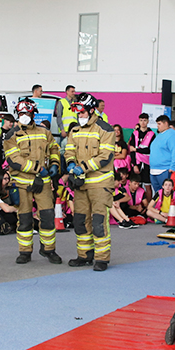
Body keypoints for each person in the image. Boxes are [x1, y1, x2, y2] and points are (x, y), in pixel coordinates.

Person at [3, 97, 63, 264]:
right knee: (24, 218)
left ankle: (48, 249)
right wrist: (39, 169)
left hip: (43, 182)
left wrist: (55, 164)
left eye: (27, 112)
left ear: (33, 114)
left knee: (47, 216)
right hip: (22, 183)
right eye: (21, 113)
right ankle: (25, 251)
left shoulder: (44, 132)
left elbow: (54, 149)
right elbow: (14, 160)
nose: (24, 115)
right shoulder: (11, 135)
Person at [64, 92, 117, 271]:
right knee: (80, 220)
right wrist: (71, 165)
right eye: (77, 113)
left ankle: (102, 258)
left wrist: (83, 167)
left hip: (100, 184)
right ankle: (84, 255)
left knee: (98, 222)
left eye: (82, 112)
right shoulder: (75, 130)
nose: (80, 116)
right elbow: (69, 151)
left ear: (91, 110)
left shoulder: (105, 129)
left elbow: (105, 156)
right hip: (81, 184)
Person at [148, 115, 175, 194]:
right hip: (154, 169)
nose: (157, 126)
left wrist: (173, 167)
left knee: (167, 194)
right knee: (158, 194)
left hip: (165, 169)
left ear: (166, 123)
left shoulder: (172, 135)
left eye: (159, 124)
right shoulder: (160, 135)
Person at [128, 113, 154, 191]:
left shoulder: (152, 134)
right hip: (137, 163)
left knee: (147, 186)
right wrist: (134, 165)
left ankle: (148, 203)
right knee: (136, 185)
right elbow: (131, 150)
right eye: (141, 120)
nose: (143, 122)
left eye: (145, 120)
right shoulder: (134, 133)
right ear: (139, 121)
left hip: (147, 163)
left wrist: (137, 150)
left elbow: (150, 150)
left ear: (148, 121)